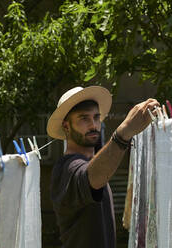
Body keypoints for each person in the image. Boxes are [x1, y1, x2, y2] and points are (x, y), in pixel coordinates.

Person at [47, 86, 159, 248]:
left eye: (96, 117)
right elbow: (90, 177)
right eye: (84, 118)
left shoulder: (90, 164)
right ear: (66, 126)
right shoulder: (66, 169)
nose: (93, 125)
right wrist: (124, 132)